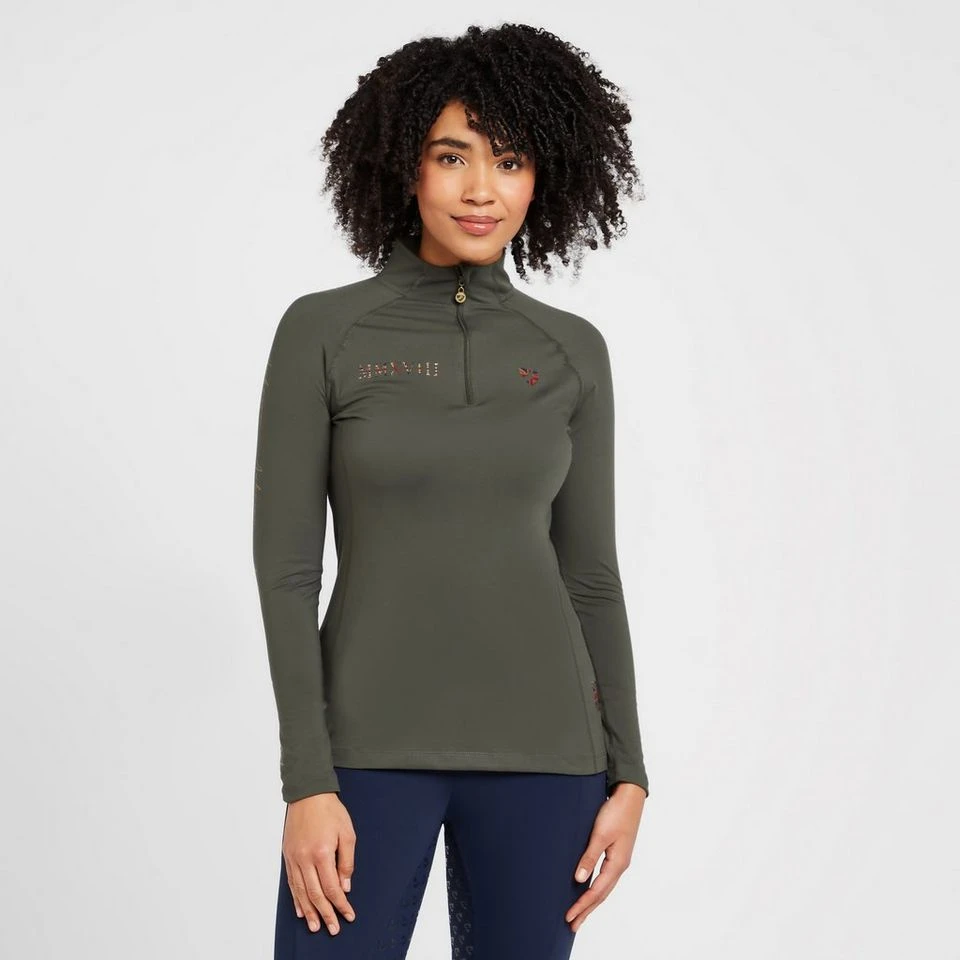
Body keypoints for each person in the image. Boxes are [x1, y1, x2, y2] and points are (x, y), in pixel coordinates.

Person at [252, 21, 650, 960]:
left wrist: (630, 773)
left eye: (509, 162)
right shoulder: (323, 332)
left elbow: (591, 575)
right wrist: (307, 781)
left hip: (550, 758)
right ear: (405, 166)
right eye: (452, 156)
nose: (481, 190)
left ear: (542, 178)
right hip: (364, 754)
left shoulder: (571, 350)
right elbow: (287, 573)